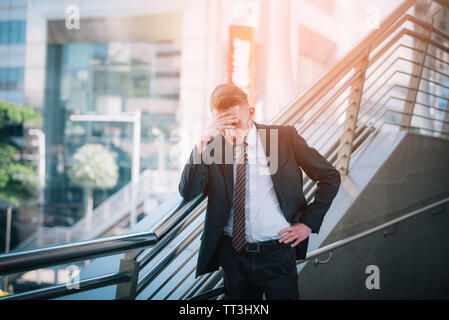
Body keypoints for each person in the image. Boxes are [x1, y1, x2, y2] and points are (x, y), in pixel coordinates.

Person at [178, 83, 341, 299]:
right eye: (223, 124)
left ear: (251, 113)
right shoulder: (214, 148)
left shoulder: (283, 138)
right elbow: (188, 191)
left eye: (235, 122)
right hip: (234, 257)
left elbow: (329, 176)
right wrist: (202, 142)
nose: (231, 131)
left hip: (278, 254)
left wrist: (309, 223)